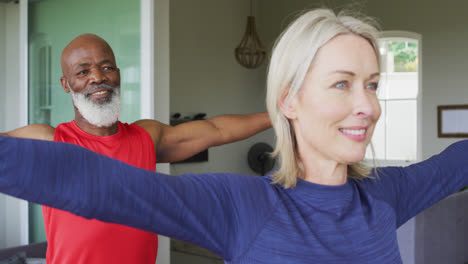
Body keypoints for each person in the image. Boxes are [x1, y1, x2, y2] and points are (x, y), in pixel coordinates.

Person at [1, 8, 468, 263]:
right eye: (342, 83)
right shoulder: (241, 205)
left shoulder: (387, 196)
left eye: (373, 84)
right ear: (290, 99)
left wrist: (273, 117)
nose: (368, 106)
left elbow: (217, 130)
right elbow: (98, 184)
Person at [0, 34, 271, 264]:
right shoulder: (48, 140)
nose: (97, 77)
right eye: (83, 71)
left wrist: (279, 116)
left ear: (117, 74)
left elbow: (217, 130)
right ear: (65, 84)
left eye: (107, 67)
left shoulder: (146, 137)